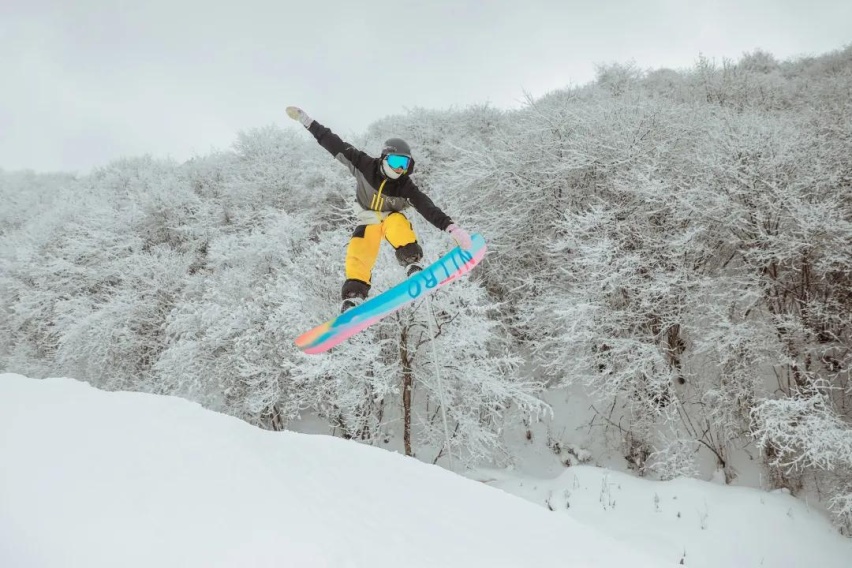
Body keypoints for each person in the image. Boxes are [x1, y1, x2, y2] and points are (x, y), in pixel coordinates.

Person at [286, 106, 473, 313]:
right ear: (385, 158)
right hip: (367, 219)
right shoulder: (364, 164)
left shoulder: (405, 185)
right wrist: (308, 122)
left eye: (405, 164)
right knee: (358, 248)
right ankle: (354, 295)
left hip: (391, 217)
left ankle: (412, 263)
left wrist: (451, 228)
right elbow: (334, 144)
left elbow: (426, 206)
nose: (399, 169)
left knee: (397, 223)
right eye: (396, 161)